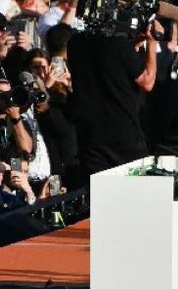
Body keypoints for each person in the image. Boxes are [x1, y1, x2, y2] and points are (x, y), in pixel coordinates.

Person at [66, 12, 158, 178]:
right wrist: (152, 43)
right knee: (140, 197)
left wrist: (134, 46)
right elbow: (147, 81)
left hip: (91, 140)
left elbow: (107, 62)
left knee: (100, 200)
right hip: (124, 140)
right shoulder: (120, 46)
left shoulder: (74, 44)